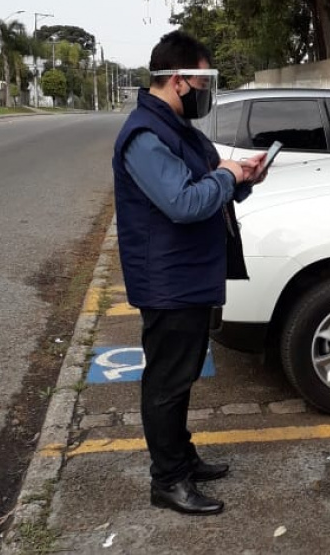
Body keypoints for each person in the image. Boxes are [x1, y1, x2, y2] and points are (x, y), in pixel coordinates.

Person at [111, 30, 267, 517]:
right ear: (178, 80)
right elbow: (183, 202)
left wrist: (242, 177)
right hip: (168, 281)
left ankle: (183, 458)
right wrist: (227, 175)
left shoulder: (177, 128)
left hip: (190, 276)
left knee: (182, 378)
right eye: (201, 83)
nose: (205, 92)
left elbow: (209, 181)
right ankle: (168, 480)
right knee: (167, 383)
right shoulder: (145, 135)